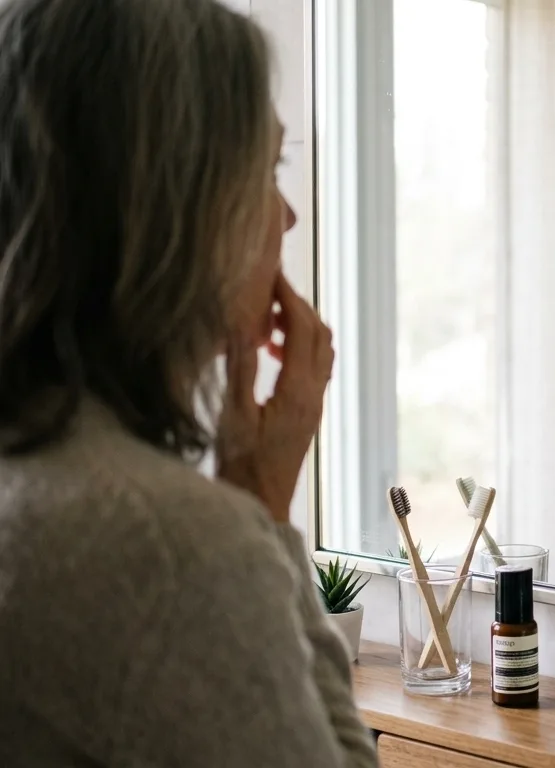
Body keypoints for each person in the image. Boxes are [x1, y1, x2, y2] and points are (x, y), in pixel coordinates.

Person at [0, 0, 378, 764]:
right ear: (179, 203)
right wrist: (262, 509)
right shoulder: (171, 552)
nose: (290, 216)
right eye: (268, 170)